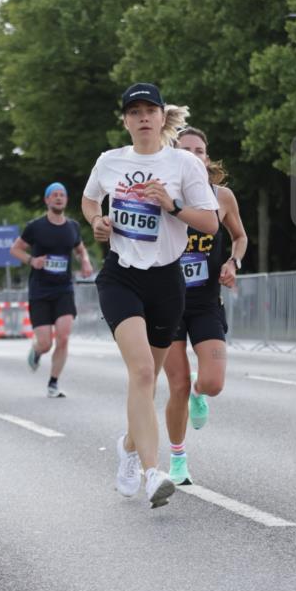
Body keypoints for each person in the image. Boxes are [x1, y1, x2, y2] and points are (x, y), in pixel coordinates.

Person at [82, 82, 218, 509]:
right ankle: (153, 472)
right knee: (141, 372)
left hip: (167, 282)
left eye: (149, 110)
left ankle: (128, 446)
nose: (142, 117)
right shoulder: (110, 161)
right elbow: (89, 201)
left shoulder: (183, 164)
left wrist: (171, 205)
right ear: (125, 120)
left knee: (149, 378)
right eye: (134, 111)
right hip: (121, 276)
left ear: (162, 117)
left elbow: (211, 223)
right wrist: (98, 222)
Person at [163, 127, 248, 485]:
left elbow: (240, 237)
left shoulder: (221, 197)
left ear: (207, 158)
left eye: (199, 150)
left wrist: (233, 262)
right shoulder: (162, 195)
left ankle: (200, 394)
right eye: (186, 149)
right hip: (167, 304)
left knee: (212, 382)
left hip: (206, 304)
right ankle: (178, 459)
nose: (194, 155)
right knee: (177, 385)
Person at [11, 183, 93, 397]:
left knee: (63, 338)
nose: (58, 198)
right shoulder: (35, 226)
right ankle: (37, 350)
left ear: (66, 200)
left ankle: (53, 383)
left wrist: (85, 261)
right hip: (39, 290)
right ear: (47, 200)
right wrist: (32, 260)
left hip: (63, 289)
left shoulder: (73, 227)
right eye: (54, 195)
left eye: (62, 195)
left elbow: (80, 249)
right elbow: (15, 249)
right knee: (46, 343)